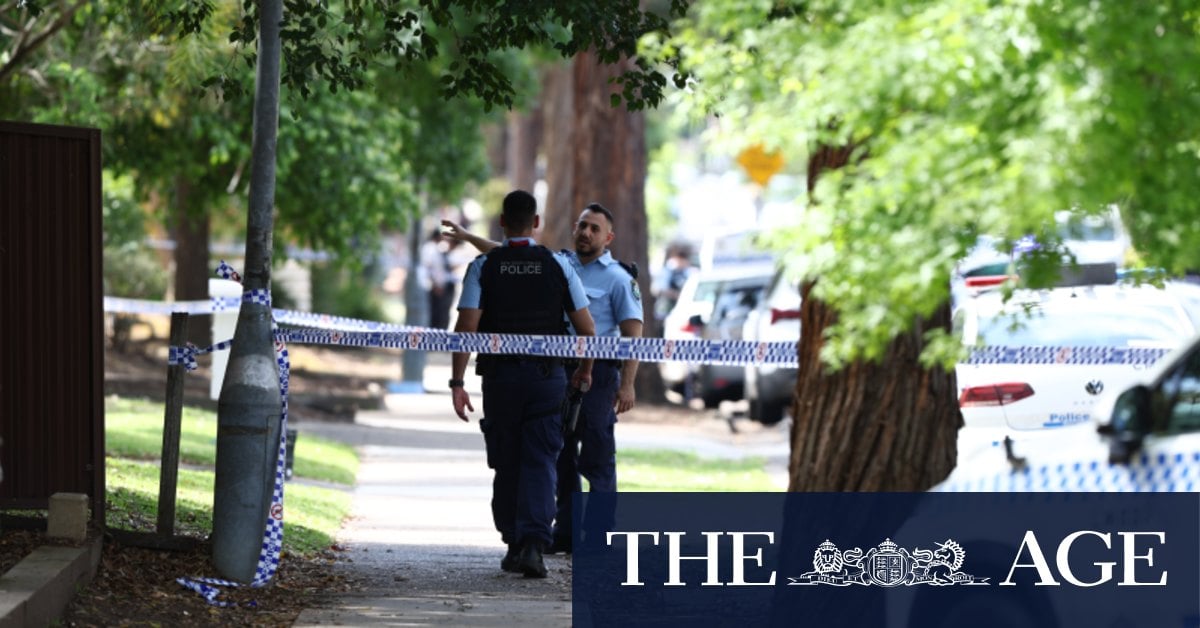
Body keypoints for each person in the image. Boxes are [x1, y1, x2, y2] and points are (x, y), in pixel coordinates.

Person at [443, 201, 644, 554]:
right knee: (559, 455)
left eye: (594, 228)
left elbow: (634, 336)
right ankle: (563, 533)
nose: (585, 232)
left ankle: (597, 536)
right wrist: (467, 236)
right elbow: (508, 254)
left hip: (599, 375)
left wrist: (627, 383)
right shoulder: (560, 263)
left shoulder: (619, 279)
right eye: (582, 225)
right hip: (558, 372)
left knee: (596, 457)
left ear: (608, 238)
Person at [449, 190, 596, 579]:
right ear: (536, 223)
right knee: (541, 460)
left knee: (507, 458)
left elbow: (466, 327)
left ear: (501, 222)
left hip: (501, 380)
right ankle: (533, 543)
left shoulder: (484, 265)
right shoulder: (558, 266)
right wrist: (585, 370)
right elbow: (587, 328)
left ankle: (515, 542)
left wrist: (457, 381)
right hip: (548, 380)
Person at [418, 228, 458, 329]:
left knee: (439, 315)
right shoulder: (430, 248)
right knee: (437, 316)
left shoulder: (434, 248)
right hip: (436, 287)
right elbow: (429, 269)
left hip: (439, 286)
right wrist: (435, 285)